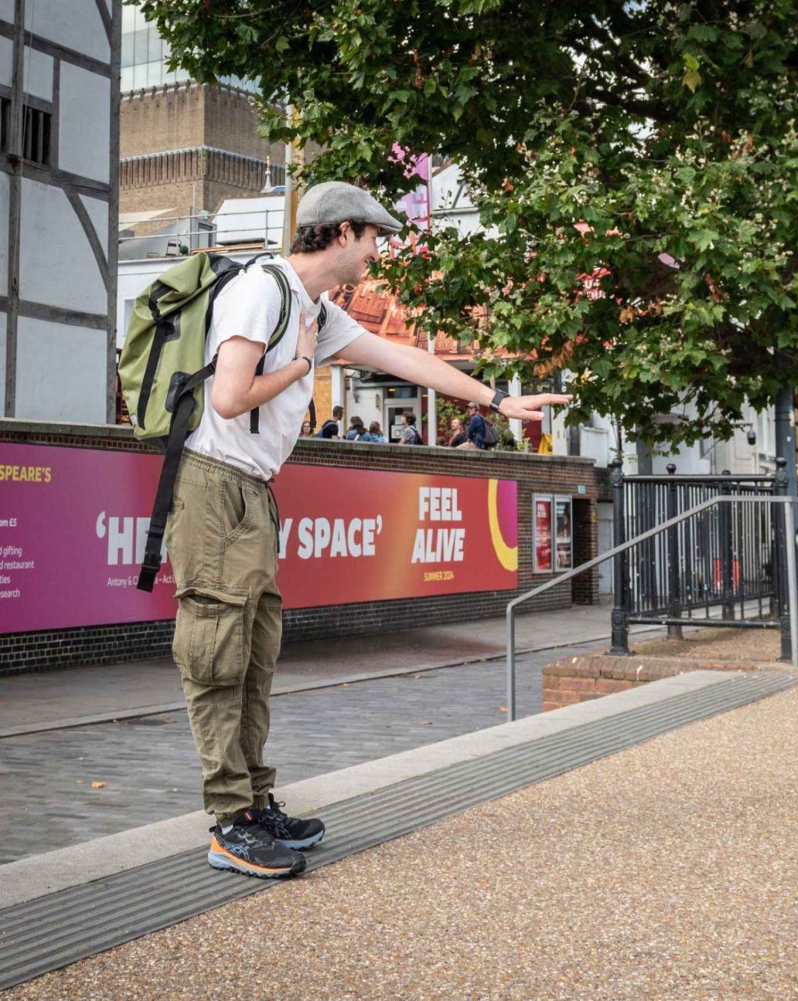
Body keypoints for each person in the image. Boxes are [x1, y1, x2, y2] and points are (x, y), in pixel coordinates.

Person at [166, 180, 569, 880]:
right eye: (375, 238)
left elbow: (405, 359)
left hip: (254, 491)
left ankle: (256, 803)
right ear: (343, 232)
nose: (377, 254)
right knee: (217, 652)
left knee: (256, 655)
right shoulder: (264, 290)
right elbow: (230, 397)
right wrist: (299, 363)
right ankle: (229, 823)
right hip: (214, 484)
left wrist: (498, 399)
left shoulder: (314, 308)